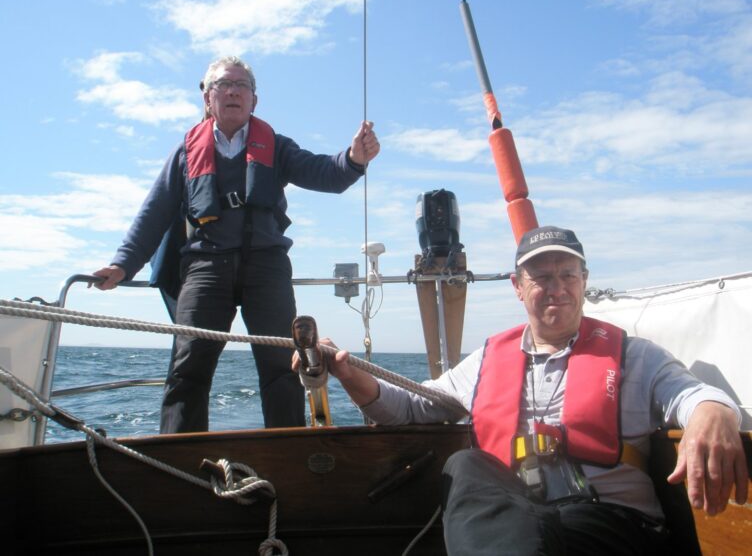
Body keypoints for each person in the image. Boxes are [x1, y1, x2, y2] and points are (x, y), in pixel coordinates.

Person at [296, 225, 749, 555]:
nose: (557, 289)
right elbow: (414, 406)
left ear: (584, 282)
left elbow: (688, 394)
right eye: (541, 278)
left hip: (612, 525)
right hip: (518, 524)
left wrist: (713, 411)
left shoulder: (636, 356)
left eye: (567, 276)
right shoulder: (488, 359)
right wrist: (346, 371)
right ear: (518, 287)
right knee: (465, 464)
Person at [92, 55, 380, 433]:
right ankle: (178, 459)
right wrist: (122, 265)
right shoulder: (185, 153)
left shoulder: (276, 147)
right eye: (223, 85)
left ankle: (288, 451)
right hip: (206, 266)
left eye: (241, 86)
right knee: (187, 367)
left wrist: (355, 158)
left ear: (254, 101)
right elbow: (154, 213)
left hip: (267, 267)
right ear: (208, 98)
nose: (232, 92)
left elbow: (325, 172)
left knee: (281, 367)